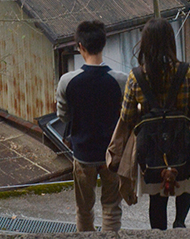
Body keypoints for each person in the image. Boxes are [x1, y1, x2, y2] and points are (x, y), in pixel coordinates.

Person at [111, 18, 190, 230]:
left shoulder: (136, 77)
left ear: (145, 44)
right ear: (170, 42)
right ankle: (180, 223)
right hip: (183, 140)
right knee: (187, 182)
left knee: (157, 194)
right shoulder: (188, 72)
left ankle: (159, 233)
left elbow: (127, 116)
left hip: (151, 146)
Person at [56, 20, 128, 232]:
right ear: (103, 44)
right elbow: (126, 117)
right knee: (112, 207)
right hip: (111, 154)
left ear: (80, 46)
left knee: (84, 208)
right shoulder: (120, 80)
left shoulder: (67, 81)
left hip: (83, 153)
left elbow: (63, 116)